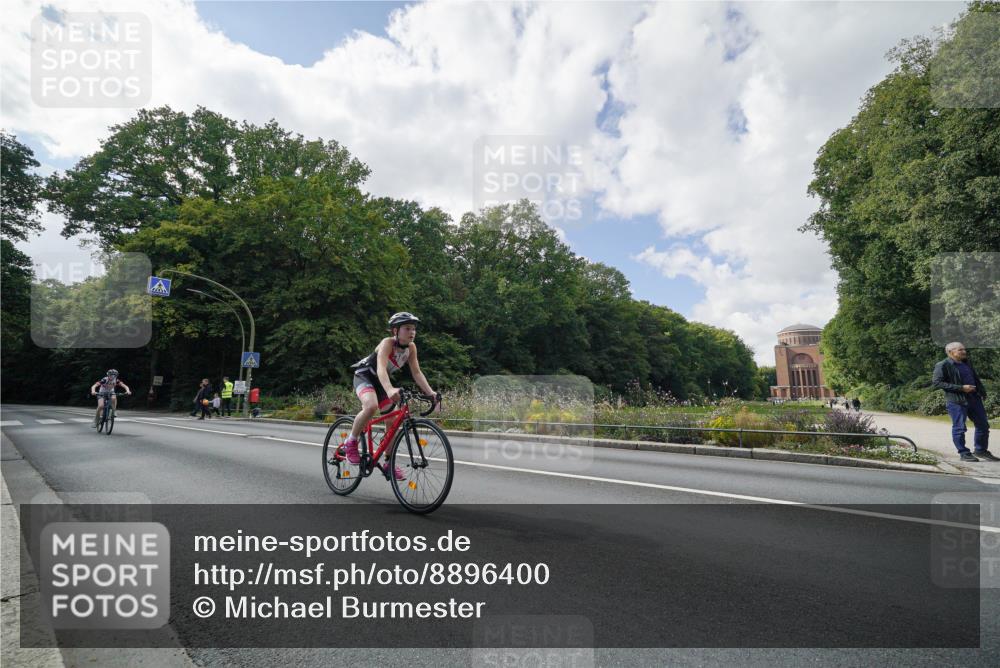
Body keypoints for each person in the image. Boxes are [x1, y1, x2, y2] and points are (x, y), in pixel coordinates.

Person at [342, 312, 438, 480]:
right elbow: (380, 368)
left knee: (392, 420)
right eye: (407, 328)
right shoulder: (387, 343)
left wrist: (431, 393)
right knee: (371, 406)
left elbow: (416, 372)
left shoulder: (411, 348)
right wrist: (390, 389)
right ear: (395, 330)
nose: (412, 332)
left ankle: (388, 463)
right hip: (365, 376)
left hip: (380, 382)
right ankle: (351, 441)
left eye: (414, 329)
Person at [933, 342, 995, 462]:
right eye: (960, 350)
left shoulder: (966, 363)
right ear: (951, 352)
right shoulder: (943, 365)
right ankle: (964, 453)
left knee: (983, 425)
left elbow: (975, 379)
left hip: (974, 399)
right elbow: (937, 382)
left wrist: (982, 391)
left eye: (964, 349)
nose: (964, 352)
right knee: (960, 428)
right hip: (957, 401)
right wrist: (961, 388)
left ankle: (981, 451)